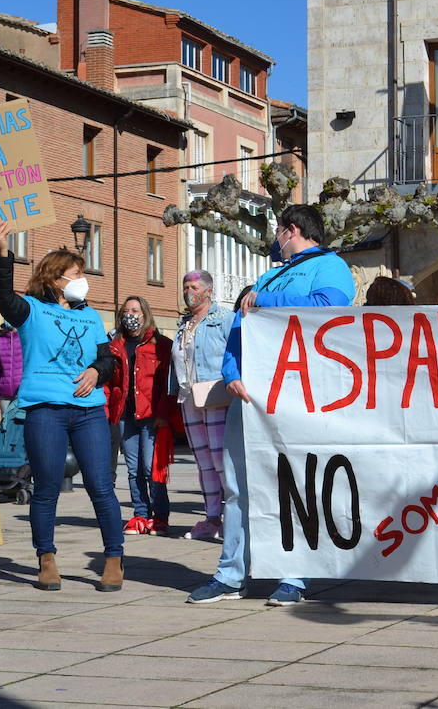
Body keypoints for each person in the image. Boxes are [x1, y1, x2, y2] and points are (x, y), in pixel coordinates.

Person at [187, 204, 356, 607]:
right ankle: (231, 574)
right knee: (237, 488)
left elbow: (327, 305)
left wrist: (263, 296)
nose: (274, 240)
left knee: (296, 486)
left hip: (298, 393)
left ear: (291, 230)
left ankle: (294, 576)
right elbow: (240, 332)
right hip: (249, 394)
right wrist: (231, 373)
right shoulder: (268, 274)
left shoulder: (331, 266)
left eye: (278, 232)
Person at [0, 220, 121, 593]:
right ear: (57, 278)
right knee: (46, 488)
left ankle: (113, 559)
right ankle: (46, 558)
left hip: (89, 410)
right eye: (77, 273)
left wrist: (96, 370)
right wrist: (1, 253)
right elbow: (1, 297)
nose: (83, 279)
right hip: (46, 410)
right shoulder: (31, 310)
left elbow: (108, 359)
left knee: (101, 486)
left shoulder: (91, 315)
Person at [169, 271, 233, 543]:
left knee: (221, 461)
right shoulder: (184, 324)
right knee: (204, 462)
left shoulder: (224, 319)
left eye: (194, 286)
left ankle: (233, 517)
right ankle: (211, 517)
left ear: (208, 290)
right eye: (185, 286)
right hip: (189, 396)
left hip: (215, 394)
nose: (188, 291)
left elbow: (237, 353)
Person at [108, 297, 175, 537]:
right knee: (133, 470)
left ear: (145, 313)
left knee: (150, 468)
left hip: (151, 416)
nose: (130, 314)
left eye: (135, 310)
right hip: (125, 416)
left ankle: (160, 516)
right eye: (126, 310)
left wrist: (164, 414)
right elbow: (111, 383)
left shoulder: (162, 345)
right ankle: (140, 515)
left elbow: (169, 384)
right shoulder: (115, 345)